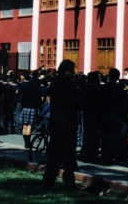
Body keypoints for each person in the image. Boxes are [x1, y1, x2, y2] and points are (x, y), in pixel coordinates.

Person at [43, 60, 81, 190]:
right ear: (67, 71)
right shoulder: (70, 86)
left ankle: (48, 181)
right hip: (67, 123)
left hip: (56, 122)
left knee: (54, 155)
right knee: (69, 155)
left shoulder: (54, 83)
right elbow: (76, 103)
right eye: (72, 70)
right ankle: (69, 181)